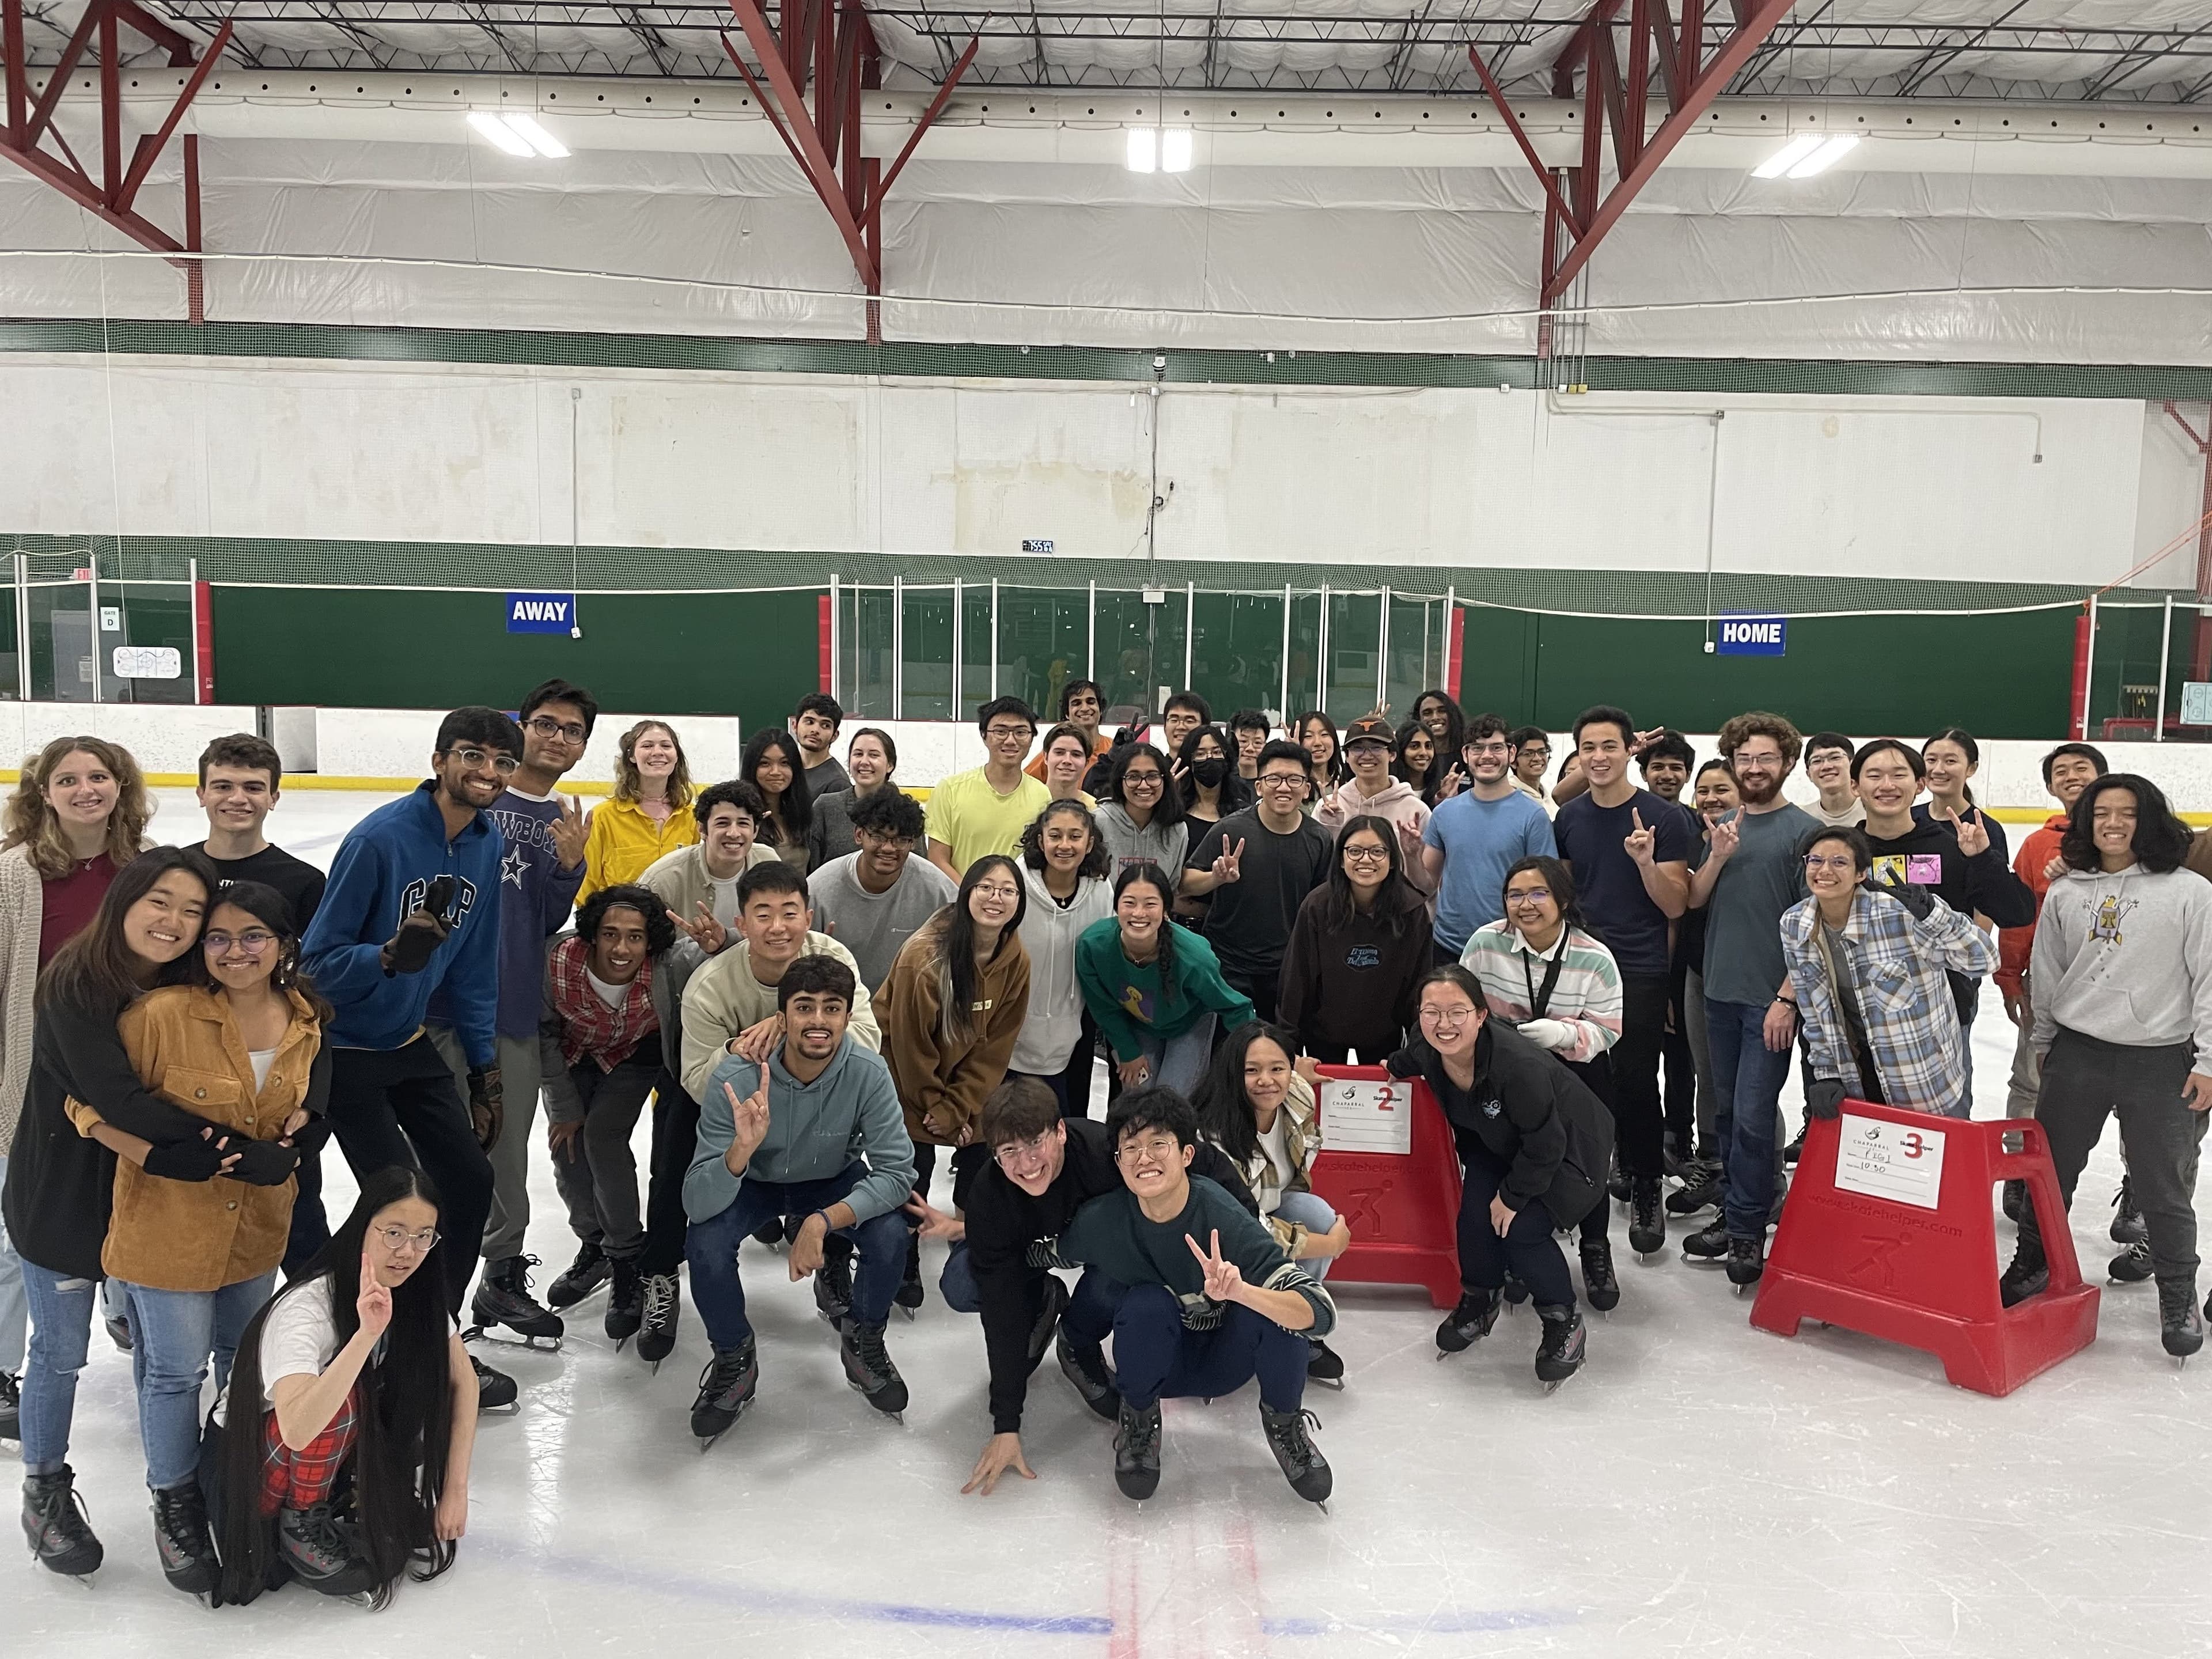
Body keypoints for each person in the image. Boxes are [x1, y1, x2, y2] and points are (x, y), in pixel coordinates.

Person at [64, 880, 328, 1596]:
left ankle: (232, 1482)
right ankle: (175, 1501)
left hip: (256, 1232)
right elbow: (83, 1101)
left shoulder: (305, 1020)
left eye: (252, 938)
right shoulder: (160, 1015)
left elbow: (301, 1111)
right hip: (165, 1232)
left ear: (282, 948)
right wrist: (149, 1153)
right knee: (175, 1373)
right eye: (218, 938)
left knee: (243, 1367)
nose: (234, 952)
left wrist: (300, 1142)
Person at [7, 847, 262, 1581]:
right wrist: (233, 1143)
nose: (174, 923)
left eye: (191, 911)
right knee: (58, 1352)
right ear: (125, 899)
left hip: (153, 1198)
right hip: (63, 1193)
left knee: (162, 1358)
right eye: (160, 903)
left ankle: (175, 1498)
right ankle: (45, 1488)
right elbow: (118, 1098)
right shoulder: (74, 985)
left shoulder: (192, 985)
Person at [298, 707, 514, 1408]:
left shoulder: (485, 845)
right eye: (473, 756)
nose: (488, 772)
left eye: (502, 763)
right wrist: (386, 957)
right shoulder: (379, 840)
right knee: (400, 1202)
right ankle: (369, 1340)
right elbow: (316, 965)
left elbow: (474, 965)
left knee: (469, 1179)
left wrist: (483, 1070)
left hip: (410, 1045)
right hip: (346, 1052)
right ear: (440, 758)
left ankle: (436, 1336)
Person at [906, 1077, 1261, 1496]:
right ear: (996, 1156)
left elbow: (1197, 1158)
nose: (1027, 1162)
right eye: (1009, 1152)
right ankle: (1043, 1303)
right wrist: (1007, 1424)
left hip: (1102, 1253)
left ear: (1060, 1132)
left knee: (1122, 1274)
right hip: (1036, 1255)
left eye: (1036, 1142)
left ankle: (1076, 1341)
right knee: (963, 1282)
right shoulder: (989, 1196)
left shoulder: (1100, 1153)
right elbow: (1000, 1310)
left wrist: (1247, 1230)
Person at [1041, 1086, 1334, 1505]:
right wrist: (981, 1234)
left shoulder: (1221, 1214)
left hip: (1225, 1360)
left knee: (1272, 1310)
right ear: (1119, 1162)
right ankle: (1139, 1423)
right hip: (1155, 1367)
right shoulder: (1103, 1220)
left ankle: (1284, 1425)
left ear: (1186, 1155)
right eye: (1131, 1148)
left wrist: (1244, 1292)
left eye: (1159, 1143)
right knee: (1142, 1301)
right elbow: (1047, 1253)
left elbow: (1320, 1312)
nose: (1144, 1158)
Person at [2004, 775, 2212, 1359]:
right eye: (2102, 814)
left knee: (2162, 1186)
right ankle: (2032, 1264)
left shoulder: (2189, 892)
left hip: (2160, 1060)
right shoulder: (2071, 892)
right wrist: (2045, 1039)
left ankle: (2177, 1294)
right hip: (2079, 1054)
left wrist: (2209, 1060)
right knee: (2051, 1173)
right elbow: (2047, 971)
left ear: (2151, 820)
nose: (2114, 824)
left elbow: (2210, 980)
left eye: (2127, 813)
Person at [209, 1168, 477, 1607]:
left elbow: (463, 1382)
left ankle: (339, 1492)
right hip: (248, 1454)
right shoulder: (308, 1307)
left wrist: (455, 1491)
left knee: (410, 1374)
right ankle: (300, 1520)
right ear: (362, 1226)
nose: (408, 1251)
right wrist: (366, 1335)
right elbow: (297, 1426)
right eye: (394, 1233)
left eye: (423, 1236)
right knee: (346, 1390)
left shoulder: (412, 1290)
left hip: (324, 1453)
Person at [685, 955, 917, 1439]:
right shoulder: (736, 1076)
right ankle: (734, 1358)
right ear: (782, 1017)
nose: (818, 1021)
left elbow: (897, 1174)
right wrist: (738, 1153)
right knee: (705, 1243)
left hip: (830, 1179)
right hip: (754, 1182)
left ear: (847, 1018)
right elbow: (697, 1202)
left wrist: (820, 1222)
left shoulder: (869, 1073)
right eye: (805, 1007)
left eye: (832, 1009)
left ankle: (864, 1339)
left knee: (892, 1232)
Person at [1, 732, 154, 1434]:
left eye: (99, 776)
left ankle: (125, 1309)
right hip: (35, 1080)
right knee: (21, 1231)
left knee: (131, 1200)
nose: (85, 789)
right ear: (44, 793)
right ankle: (3, 1369)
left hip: (123, 1079)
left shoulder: (148, 872)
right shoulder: (14, 875)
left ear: (121, 787)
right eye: (68, 780)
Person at [437, 679, 593, 1350]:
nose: (558, 738)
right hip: (439, 1009)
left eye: (572, 730)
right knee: (433, 1154)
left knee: (506, 1149)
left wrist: (568, 867)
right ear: (520, 728)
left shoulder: (561, 813)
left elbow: (542, 919)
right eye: (546, 725)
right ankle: (417, 1294)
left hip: (512, 1008)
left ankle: (500, 1275)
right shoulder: (476, 797)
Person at [1389, 966, 1612, 1387]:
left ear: (1481, 1015)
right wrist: (1386, 1070)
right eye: (1431, 1012)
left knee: (1521, 1230)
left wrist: (1511, 1197)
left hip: (1570, 1150)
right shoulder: (1426, 1047)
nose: (1444, 1024)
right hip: (1502, 1143)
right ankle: (1480, 1297)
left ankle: (1563, 1321)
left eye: (1457, 1012)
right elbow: (1403, 1061)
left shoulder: (1517, 1066)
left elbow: (1547, 1145)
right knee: (1474, 1218)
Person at [1683, 713, 1818, 1286]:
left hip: (1770, 1001)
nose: (1755, 768)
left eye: (1766, 758)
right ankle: (1739, 1209)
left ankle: (1745, 1229)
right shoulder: (1725, 825)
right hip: (1718, 991)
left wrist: (1788, 997)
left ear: (1786, 763)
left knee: (1755, 1117)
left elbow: (1816, 920)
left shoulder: (1804, 832)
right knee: (1726, 1113)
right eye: (1745, 759)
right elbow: (1693, 899)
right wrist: (1716, 853)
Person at [1550, 706, 1690, 1257]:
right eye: (1589, 747)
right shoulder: (1570, 819)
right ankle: (1586, 1179)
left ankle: (1647, 1181)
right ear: (1579, 754)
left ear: (1631, 749)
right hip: (1580, 967)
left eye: (1610, 746)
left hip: (1639, 966)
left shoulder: (1665, 818)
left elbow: (1676, 902)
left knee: (1636, 1078)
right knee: (1583, 1078)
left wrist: (1646, 864)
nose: (1599, 757)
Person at [1460, 856, 1628, 1305]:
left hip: (1576, 1072)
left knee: (1583, 1161)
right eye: (1516, 894)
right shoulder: (1485, 943)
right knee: (1510, 1154)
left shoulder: (1595, 957)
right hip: (1506, 1072)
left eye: (1539, 894)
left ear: (1563, 901)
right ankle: (1515, 1248)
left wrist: (1563, 1035)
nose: (1526, 904)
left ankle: (1596, 1247)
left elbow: (1609, 1029)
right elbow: (1464, 1004)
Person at [537, 884, 696, 1344]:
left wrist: (720, 940)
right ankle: (595, 1245)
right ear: (592, 936)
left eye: (635, 937)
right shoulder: (558, 961)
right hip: (575, 1055)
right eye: (610, 935)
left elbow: (726, 954)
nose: (621, 948)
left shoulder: (669, 964)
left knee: (602, 1137)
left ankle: (627, 1258)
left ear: (651, 942)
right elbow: (543, 1034)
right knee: (568, 1152)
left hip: (638, 1055)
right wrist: (565, 1106)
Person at [879, 854, 1030, 1319]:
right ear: (966, 893)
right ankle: (904, 1255)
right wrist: (937, 1108)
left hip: (965, 1083)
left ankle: (967, 1241)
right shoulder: (924, 957)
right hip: (906, 1078)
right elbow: (908, 1045)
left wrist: (962, 1107)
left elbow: (995, 1048)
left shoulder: (1015, 959)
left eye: (1008, 890)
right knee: (913, 1165)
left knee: (985, 1153)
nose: (996, 898)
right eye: (986, 887)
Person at [1994, 743, 2131, 1238]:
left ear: (2103, 777)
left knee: (2131, 1096)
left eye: (2082, 768)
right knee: (2029, 1080)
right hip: (2050, 985)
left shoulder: (2135, 840)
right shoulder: (2037, 844)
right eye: (2060, 772)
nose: (2071, 776)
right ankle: (2018, 1172)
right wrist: (2011, 974)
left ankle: (2136, 1190)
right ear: (2050, 787)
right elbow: (2020, 916)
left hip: (2126, 989)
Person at [1854, 738, 2034, 1087]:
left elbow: (2018, 913)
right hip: (1862, 1012)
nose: (1887, 786)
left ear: (1919, 784)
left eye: (1899, 775)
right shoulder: (1843, 852)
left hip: (1944, 1011)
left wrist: (1983, 858)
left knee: (1941, 1126)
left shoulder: (1953, 847)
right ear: (1855, 786)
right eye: (1874, 775)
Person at [1783, 825, 1993, 1123]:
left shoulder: (1899, 915)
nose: (1824, 870)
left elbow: (1983, 959)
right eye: (1815, 861)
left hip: (1923, 1079)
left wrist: (1934, 913)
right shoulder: (1795, 925)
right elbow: (1814, 1010)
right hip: (1859, 1076)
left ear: (1860, 874)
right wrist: (1827, 1073)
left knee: (1934, 1168)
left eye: (1839, 862)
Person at [1192, 1024, 1351, 1381]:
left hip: (1273, 1204)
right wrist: (1332, 1245)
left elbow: (1297, 1080)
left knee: (1318, 1215)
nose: (1267, 1080)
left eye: (1277, 1068)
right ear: (1233, 1072)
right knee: (1323, 1234)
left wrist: (1300, 1072)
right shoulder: (1214, 1136)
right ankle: (1242, 1323)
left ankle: (1292, 1324)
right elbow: (1247, 1224)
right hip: (1224, 1230)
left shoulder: (1297, 1096)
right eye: (1252, 1070)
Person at [678, 861, 882, 1105]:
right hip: (745, 1109)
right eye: (764, 916)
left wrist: (789, 1026)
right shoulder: (708, 989)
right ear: (742, 925)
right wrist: (735, 1049)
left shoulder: (832, 956)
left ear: (808, 920)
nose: (778, 928)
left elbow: (869, 1042)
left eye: (789, 914)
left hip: (826, 1100)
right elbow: (699, 1086)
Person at [1183, 740, 1334, 1021]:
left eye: (1294, 779)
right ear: (1259, 786)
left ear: (1306, 788)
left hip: (1286, 967)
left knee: (1275, 1051)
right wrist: (1215, 878)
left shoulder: (1319, 839)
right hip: (1227, 963)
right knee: (1227, 1052)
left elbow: (1323, 906)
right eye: (1274, 778)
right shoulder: (1229, 829)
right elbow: (1186, 884)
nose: (1284, 787)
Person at [1077, 864, 1255, 1093]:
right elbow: (1103, 1007)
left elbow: (1235, 1006)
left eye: (1150, 904)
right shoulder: (1093, 946)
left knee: (1172, 1097)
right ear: (1116, 906)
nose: (1139, 913)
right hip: (1140, 1024)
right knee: (1136, 1094)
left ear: (1165, 910)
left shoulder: (1194, 957)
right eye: (1129, 903)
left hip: (1189, 1024)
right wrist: (1128, 1050)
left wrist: (1258, 1055)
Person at [1278, 816, 1431, 1065]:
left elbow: (1419, 985)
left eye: (1378, 851)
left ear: (1392, 860)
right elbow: (1297, 979)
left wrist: (1414, 1054)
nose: (1366, 859)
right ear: (1341, 859)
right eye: (1355, 851)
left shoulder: (1411, 910)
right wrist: (1289, 1054)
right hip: (1322, 1033)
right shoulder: (1317, 906)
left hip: (1385, 1036)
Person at [1421, 714, 1557, 966]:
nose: (1487, 756)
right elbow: (1427, 882)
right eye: (1477, 748)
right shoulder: (1444, 813)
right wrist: (1410, 854)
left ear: (1511, 753)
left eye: (1496, 748)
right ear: (1465, 754)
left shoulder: (1534, 816)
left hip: (1511, 948)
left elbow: (1545, 889)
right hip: (1449, 946)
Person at [1667, 760, 1741, 1219]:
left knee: (1743, 1083)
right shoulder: (1688, 839)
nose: (1712, 798)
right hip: (1697, 971)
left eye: (1722, 789)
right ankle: (1712, 1162)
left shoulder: (1750, 838)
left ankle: (1749, 1180)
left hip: (1744, 974)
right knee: (1705, 1072)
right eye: (1705, 791)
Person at [1009, 801, 1114, 1118]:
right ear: (1041, 841)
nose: (1064, 845)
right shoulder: (1016, 886)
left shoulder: (1101, 889)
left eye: (1075, 836)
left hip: (1075, 1026)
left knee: (1068, 1120)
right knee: (1016, 1121)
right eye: (1055, 836)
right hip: (1013, 1021)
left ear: (1090, 842)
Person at [808, 787, 957, 994]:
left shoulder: (937, 888)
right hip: (840, 1005)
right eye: (878, 837)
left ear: (913, 843)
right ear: (859, 835)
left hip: (909, 1007)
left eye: (901, 840)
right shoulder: (819, 889)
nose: (888, 848)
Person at [190, 733, 328, 927]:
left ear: (273, 799)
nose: (237, 799)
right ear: (202, 795)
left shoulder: (305, 883)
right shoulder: (172, 871)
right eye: (223, 787)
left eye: (253, 788)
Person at [642, 779, 783, 948]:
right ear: (702, 829)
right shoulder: (662, 879)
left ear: (755, 831)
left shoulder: (768, 861)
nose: (733, 833)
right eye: (722, 823)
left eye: (743, 823)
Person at [927, 698, 1051, 882]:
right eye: (1001, 731)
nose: (1010, 740)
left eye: (1021, 732)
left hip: (1019, 905)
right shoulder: (950, 790)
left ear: (1032, 738)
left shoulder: (1042, 796)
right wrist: (970, 895)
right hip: (960, 903)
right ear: (984, 735)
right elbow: (938, 858)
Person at [578, 720, 696, 903]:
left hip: (677, 927)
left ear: (676, 756)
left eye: (666, 745)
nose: (657, 752)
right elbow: (586, 886)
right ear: (631, 756)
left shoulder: (692, 817)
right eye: (647, 745)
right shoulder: (603, 817)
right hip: (621, 927)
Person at [1316, 714, 1432, 893]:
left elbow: (1427, 889)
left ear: (1393, 754)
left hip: (1397, 913)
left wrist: (1412, 857)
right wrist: (1331, 829)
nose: (1367, 756)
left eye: (1376, 748)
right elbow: (1319, 875)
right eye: (1357, 749)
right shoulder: (1328, 807)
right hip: (1343, 911)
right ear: (1347, 757)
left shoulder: (1417, 811)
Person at [1096, 742, 1188, 889]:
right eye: (1133, 777)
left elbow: (1171, 888)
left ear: (1165, 780)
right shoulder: (1098, 822)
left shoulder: (1177, 830)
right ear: (1120, 781)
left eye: (1152, 776)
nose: (1144, 785)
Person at [808, 728, 900, 871]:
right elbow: (812, 868)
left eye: (874, 755)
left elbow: (918, 868)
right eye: (858, 754)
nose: (864, 761)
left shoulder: (904, 810)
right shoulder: (825, 807)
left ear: (890, 765)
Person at [1918, 728, 2009, 862]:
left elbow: (2000, 881)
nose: (1938, 770)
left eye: (1950, 761)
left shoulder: (1986, 829)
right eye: (1931, 760)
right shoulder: (1910, 820)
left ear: (1972, 768)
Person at [741, 728, 816, 874]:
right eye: (765, 763)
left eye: (785, 763)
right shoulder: (741, 816)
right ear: (752, 767)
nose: (776, 771)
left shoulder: (803, 814)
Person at [1025, 680, 1112, 785]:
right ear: (1067, 713)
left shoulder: (1113, 750)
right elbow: (1026, 783)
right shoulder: (1055, 753)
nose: (1085, 708)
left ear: (1101, 709)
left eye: (1090, 702)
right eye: (1077, 703)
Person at [1175, 722, 1251, 840]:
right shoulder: (1175, 813)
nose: (1209, 758)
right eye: (1200, 754)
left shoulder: (1243, 813)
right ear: (1189, 761)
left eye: (1217, 752)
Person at [790, 692, 850, 798]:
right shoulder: (786, 768)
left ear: (835, 736)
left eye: (825, 725)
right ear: (795, 726)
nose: (815, 730)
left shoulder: (838, 784)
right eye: (809, 722)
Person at [1801, 732, 1864, 829]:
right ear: (1809, 774)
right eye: (1817, 761)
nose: (1826, 766)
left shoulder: (1873, 811)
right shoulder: (1802, 818)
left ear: (1852, 765)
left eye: (1835, 758)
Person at [1036, 722, 1099, 806]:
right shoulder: (1028, 803)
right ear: (1046, 757)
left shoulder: (1094, 810)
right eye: (1059, 753)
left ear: (1086, 763)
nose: (1067, 761)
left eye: (1076, 754)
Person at [1290, 711, 1344, 804]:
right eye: (1308, 736)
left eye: (1324, 734)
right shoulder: (1292, 788)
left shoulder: (1343, 787)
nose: (1318, 743)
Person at [1508, 726, 1555, 814]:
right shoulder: (1509, 797)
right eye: (1529, 754)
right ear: (1513, 761)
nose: (1537, 758)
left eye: (1542, 752)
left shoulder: (1549, 798)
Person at [1227, 709, 1272, 782]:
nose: (1250, 749)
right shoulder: (1221, 784)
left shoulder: (1271, 784)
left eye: (1257, 743)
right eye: (1243, 741)